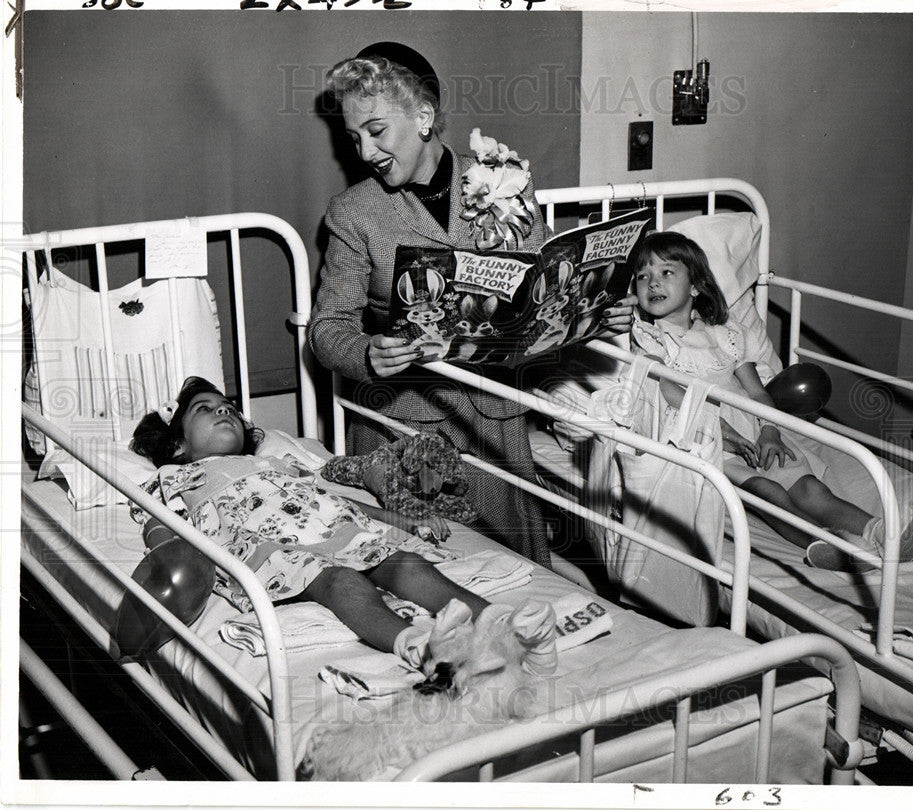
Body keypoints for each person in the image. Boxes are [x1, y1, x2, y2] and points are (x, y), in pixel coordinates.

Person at [306, 42, 634, 567]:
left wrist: (597, 314)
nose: (365, 154)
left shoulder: (505, 181)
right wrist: (368, 353)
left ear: (423, 116)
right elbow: (327, 328)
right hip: (404, 423)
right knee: (426, 577)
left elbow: (543, 293)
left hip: (493, 421)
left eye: (375, 132)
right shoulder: (354, 213)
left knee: (518, 581)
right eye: (353, 138)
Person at [628, 231, 913, 572]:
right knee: (769, 494)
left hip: (754, 429)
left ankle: (884, 534)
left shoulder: (725, 334)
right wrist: (727, 435)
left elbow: (756, 392)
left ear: (695, 286)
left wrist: (769, 431)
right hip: (705, 440)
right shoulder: (650, 337)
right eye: (642, 276)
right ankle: (832, 546)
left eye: (666, 272)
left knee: (809, 488)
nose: (652, 283)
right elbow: (671, 391)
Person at [129, 376, 490, 666]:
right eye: (205, 410)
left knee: (407, 562)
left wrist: (395, 518)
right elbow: (156, 519)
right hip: (272, 548)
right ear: (178, 445)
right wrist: (167, 553)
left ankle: (493, 620)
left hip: (331, 526)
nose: (223, 412)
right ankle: (422, 649)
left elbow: (331, 499)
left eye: (228, 408)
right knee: (341, 581)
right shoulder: (174, 476)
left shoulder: (276, 463)